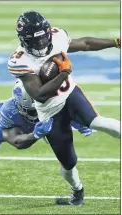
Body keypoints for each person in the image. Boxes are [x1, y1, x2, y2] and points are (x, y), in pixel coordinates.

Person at [7, 11, 120, 205]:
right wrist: (64, 72)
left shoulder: (58, 36)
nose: (42, 44)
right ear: (24, 41)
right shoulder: (20, 60)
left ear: (49, 32)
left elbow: (85, 44)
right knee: (68, 163)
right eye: (36, 41)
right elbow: (40, 94)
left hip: (70, 96)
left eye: (44, 38)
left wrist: (116, 42)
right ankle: (77, 190)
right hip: (49, 112)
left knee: (98, 122)